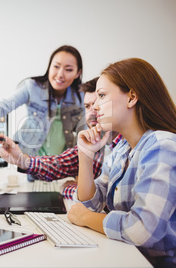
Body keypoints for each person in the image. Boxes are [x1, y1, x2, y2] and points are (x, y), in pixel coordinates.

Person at [67, 58, 176, 267]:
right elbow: (91, 202)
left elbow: (142, 229)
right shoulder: (123, 149)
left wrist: (87, 218)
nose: (95, 108)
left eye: (101, 96)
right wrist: (85, 156)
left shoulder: (162, 145)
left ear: (131, 97)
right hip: (129, 257)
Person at [0, 78, 122, 199]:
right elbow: (59, 164)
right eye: (87, 106)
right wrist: (21, 159)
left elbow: (101, 198)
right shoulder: (95, 141)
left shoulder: (126, 146)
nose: (93, 111)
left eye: (98, 103)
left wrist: (68, 188)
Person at [0, 45, 84, 166]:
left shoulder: (81, 97)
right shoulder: (32, 87)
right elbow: (0, 107)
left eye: (68, 69)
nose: (60, 74)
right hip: (26, 163)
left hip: (60, 169)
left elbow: (87, 133)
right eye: (56, 66)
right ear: (49, 66)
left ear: (78, 73)